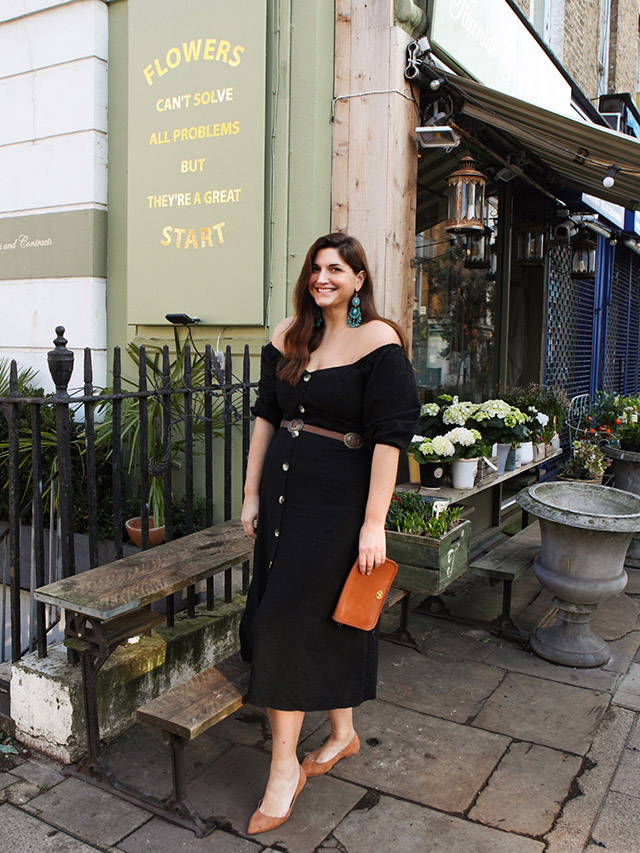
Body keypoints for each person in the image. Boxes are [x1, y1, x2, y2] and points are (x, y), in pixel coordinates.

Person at [239, 232, 420, 835]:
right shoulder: (289, 336)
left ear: (359, 279)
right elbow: (267, 416)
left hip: (338, 507)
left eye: (337, 268)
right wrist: (250, 493)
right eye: (316, 267)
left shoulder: (379, 342)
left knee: (289, 623)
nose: (323, 277)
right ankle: (342, 734)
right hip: (282, 499)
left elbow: (390, 438)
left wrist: (374, 524)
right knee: (307, 616)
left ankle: (282, 768)